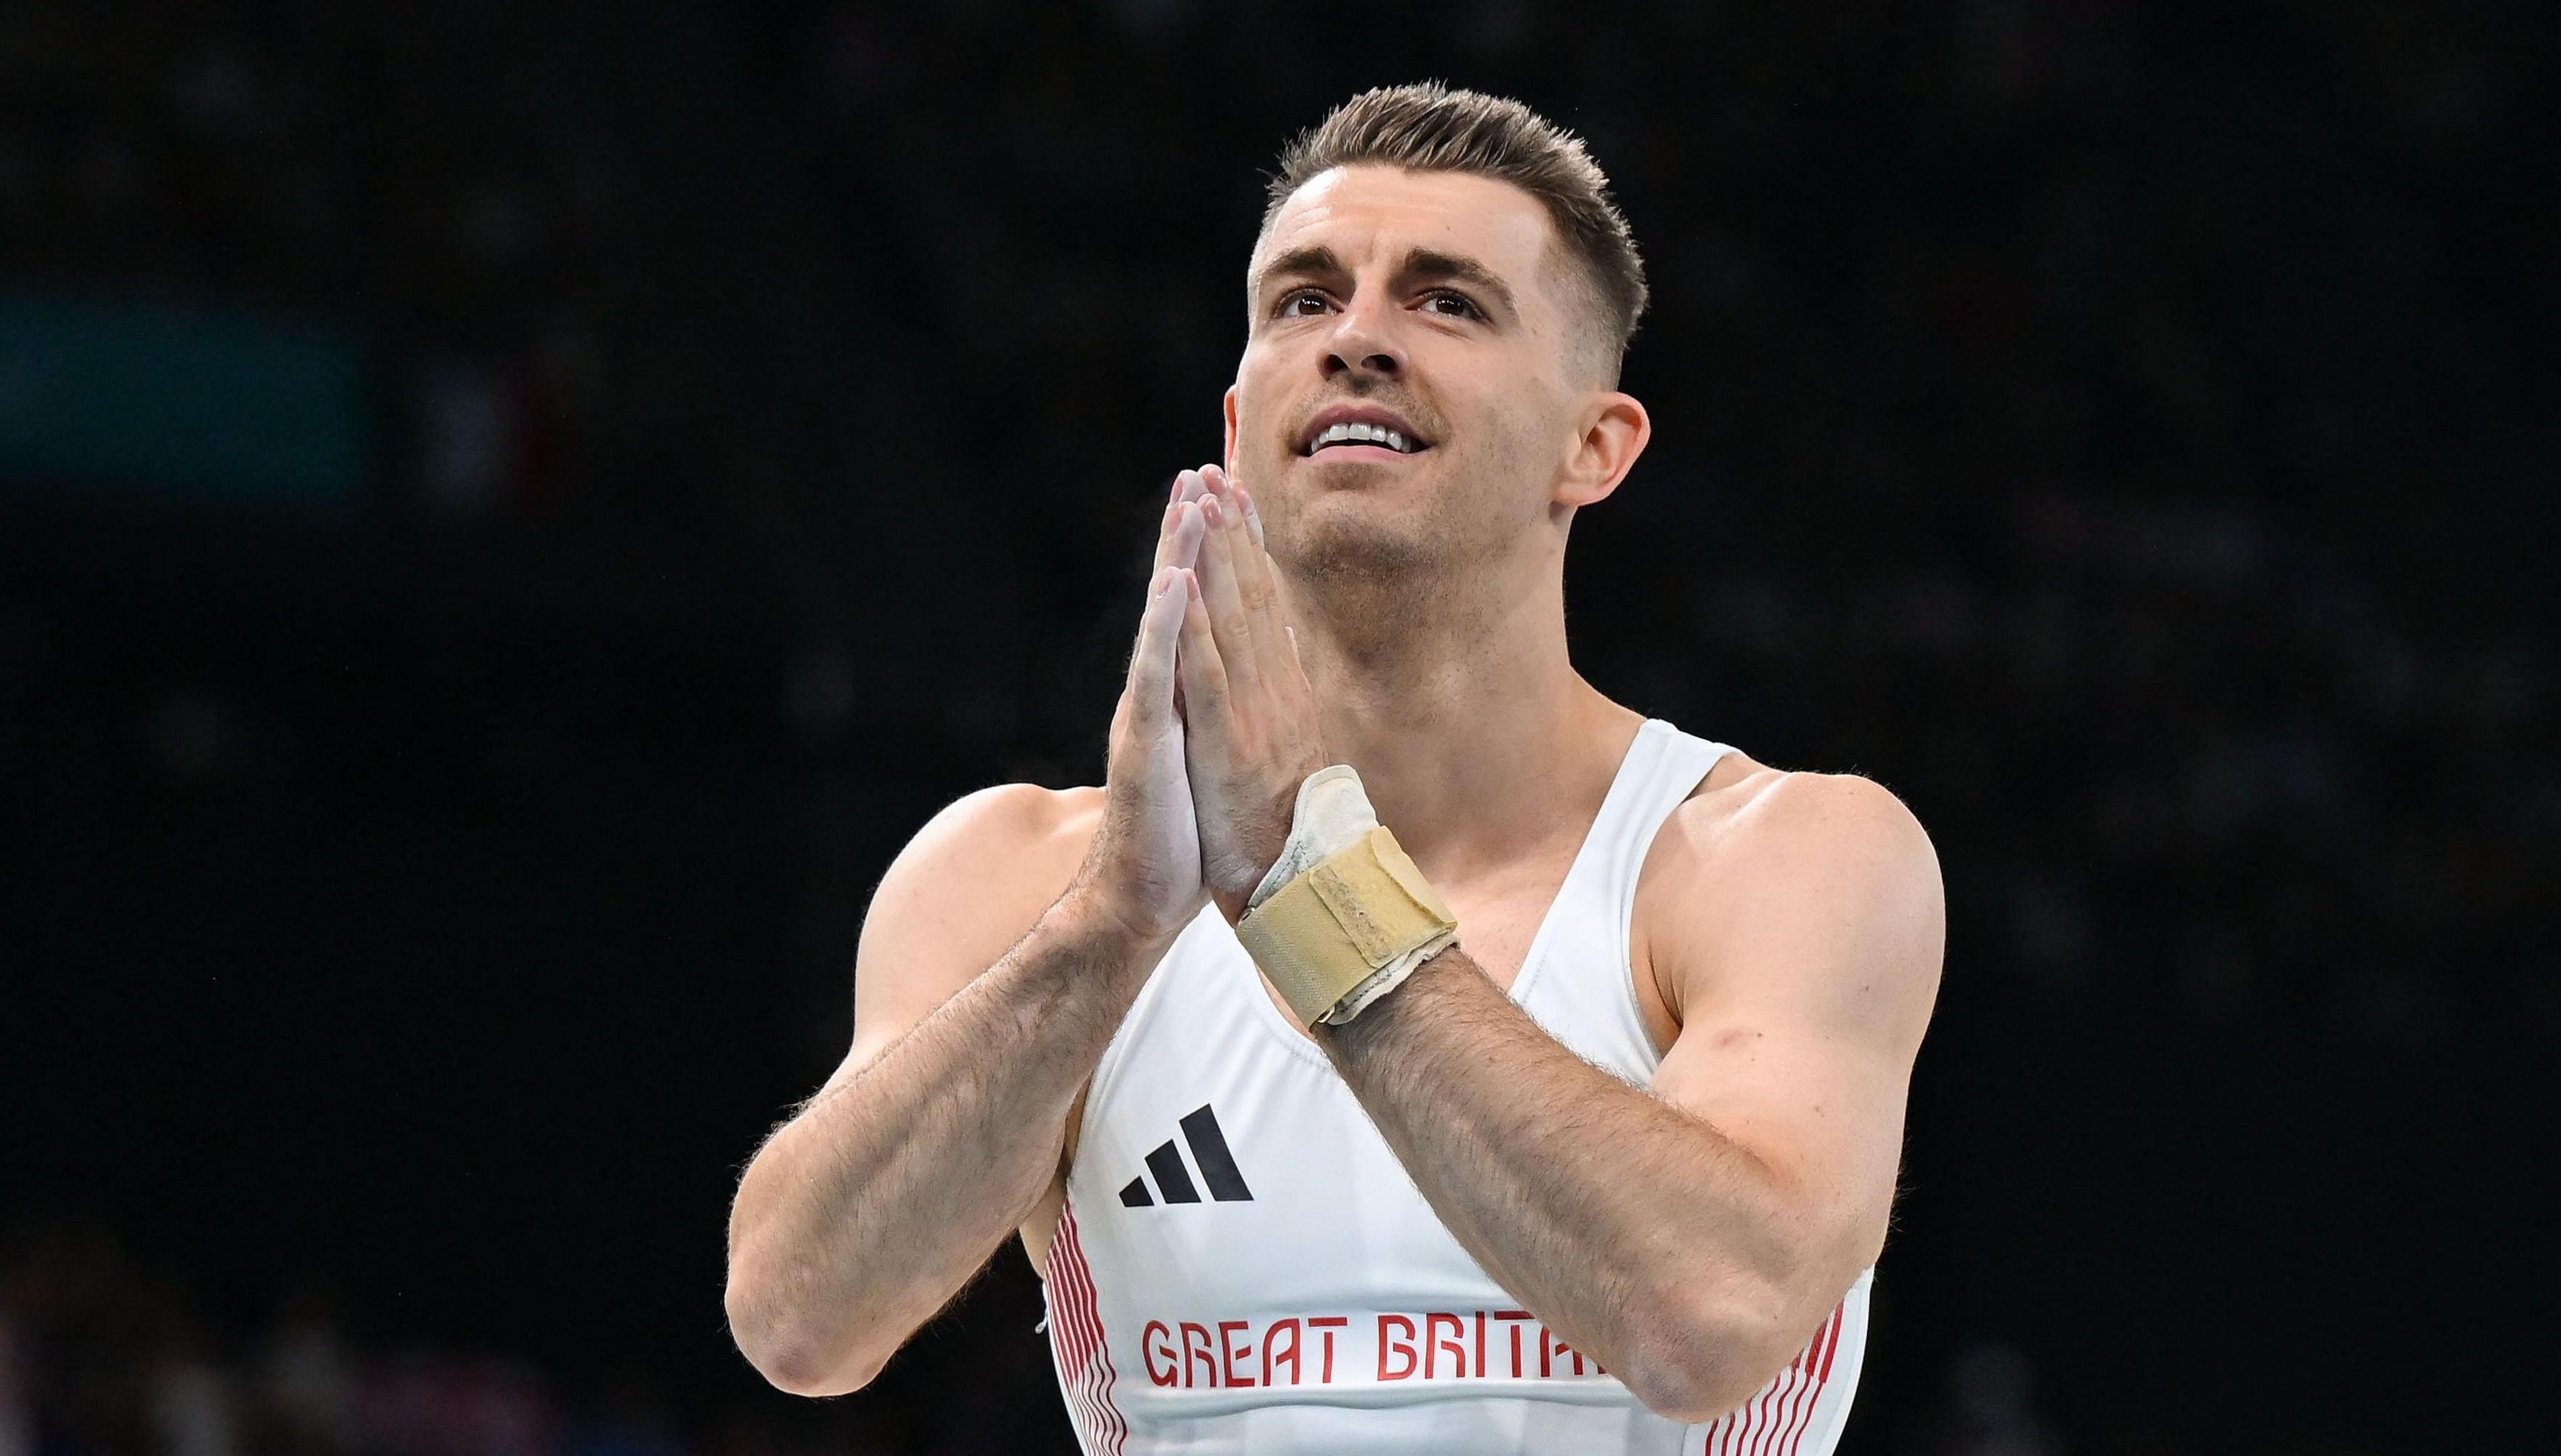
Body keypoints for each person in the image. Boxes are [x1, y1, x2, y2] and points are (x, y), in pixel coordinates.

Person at [723, 83, 1945, 1455]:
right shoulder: (1027, 883)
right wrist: (1109, 933)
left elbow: (1708, 1320)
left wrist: (1317, 898)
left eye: (1448, 302)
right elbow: (798, 1322)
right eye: (1304, 300)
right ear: (1240, 429)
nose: (1357, 337)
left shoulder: (1775, 862)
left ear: (1592, 447)